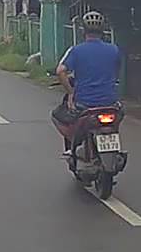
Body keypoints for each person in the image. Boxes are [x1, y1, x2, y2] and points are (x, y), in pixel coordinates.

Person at [51, 11, 121, 157]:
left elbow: (60, 71)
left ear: (83, 30)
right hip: (110, 102)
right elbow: (116, 71)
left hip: (85, 103)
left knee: (58, 115)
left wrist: (71, 92)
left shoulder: (76, 50)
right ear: (103, 30)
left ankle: (72, 148)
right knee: (119, 115)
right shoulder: (114, 49)